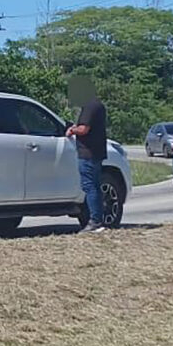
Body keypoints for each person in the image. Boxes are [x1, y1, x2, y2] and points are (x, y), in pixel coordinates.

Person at [65, 77, 107, 233]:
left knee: (89, 186)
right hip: (96, 152)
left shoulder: (89, 106)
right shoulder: (98, 105)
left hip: (88, 153)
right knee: (95, 185)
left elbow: (84, 129)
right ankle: (98, 219)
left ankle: (95, 221)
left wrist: (72, 130)